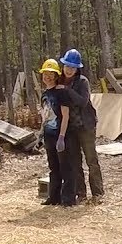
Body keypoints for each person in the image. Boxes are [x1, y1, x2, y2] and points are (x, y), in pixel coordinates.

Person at [58, 48, 104, 203]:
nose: (69, 70)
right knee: (75, 161)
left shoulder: (82, 82)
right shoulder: (60, 82)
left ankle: (97, 193)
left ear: (77, 68)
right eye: (67, 67)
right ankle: (81, 193)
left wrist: (66, 90)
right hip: (71, 128)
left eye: (72, 67)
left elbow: (82, 102)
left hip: (86, 125)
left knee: (91, 159)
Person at [38, 58, 77, 207]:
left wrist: (61, 136)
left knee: (65, 167)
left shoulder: (61, 93)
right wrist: (41, 135)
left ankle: (68, 200)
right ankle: (53, 197)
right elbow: (45, 116)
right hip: (49, 135)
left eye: (51, 74)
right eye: (45, 74)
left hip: (61, 135)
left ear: (56, 76)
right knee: (53, 167)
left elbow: (65, 116)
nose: (47, 77)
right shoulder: (44, 94)